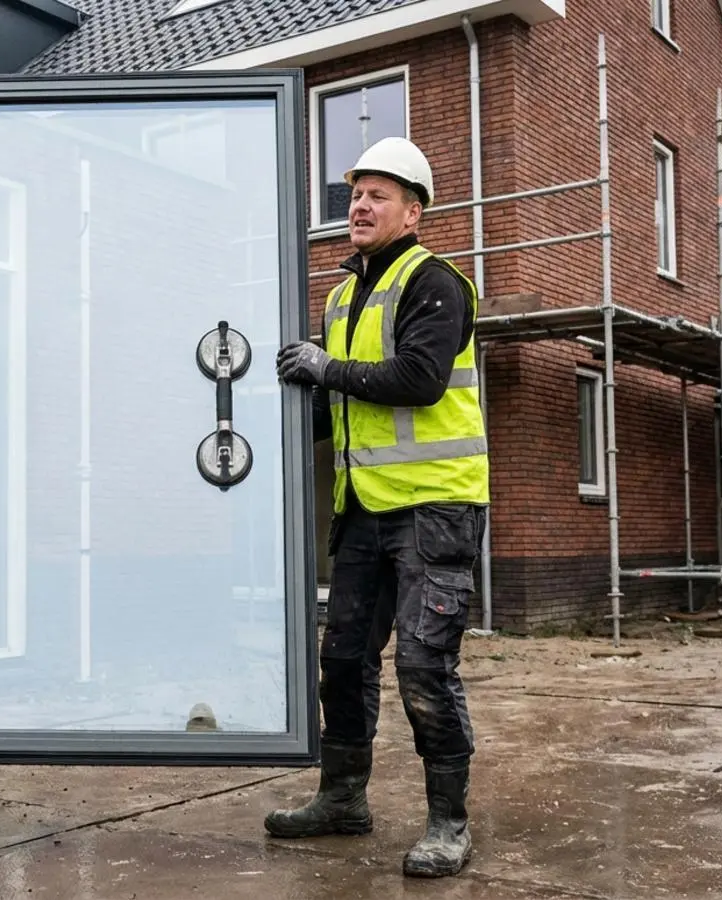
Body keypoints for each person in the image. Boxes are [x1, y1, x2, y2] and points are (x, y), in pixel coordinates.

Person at [265, 136, 488, 879]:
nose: (359, 205)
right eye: (355, 194)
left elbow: (420, 379)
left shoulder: (435, 282)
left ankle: (449, 823)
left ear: (412, 212)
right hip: (363, 507)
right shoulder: (340, 297)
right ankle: (342, 800)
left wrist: (326, 367)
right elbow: (342, 406)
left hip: (435, 509)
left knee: (423, 664)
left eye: (378, 195)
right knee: (342, 659)